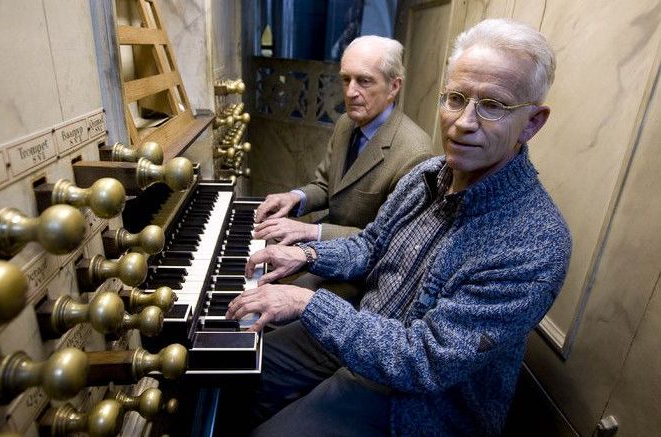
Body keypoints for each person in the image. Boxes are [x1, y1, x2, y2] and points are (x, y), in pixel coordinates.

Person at [226, 18, 572, 436]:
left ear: (533, 122)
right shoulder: (427, 174)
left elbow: (423, 360)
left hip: (416, 402)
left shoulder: (536, 242)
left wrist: (308, 303)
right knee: (234, 372)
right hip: (362, 325)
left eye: (493, 105)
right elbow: (372, 245)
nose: (463, 122)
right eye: (456, 98)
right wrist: (305, 253)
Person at [254, 35, 431, 245]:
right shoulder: (346, 123)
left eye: (364, 81)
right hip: (327, 244)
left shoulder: (415, 153)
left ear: (394, 87)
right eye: (346, 79)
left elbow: (385, 240)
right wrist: (294, 198)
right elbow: (325, 186)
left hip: (362, 269)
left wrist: (312, 232)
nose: (350, 92)